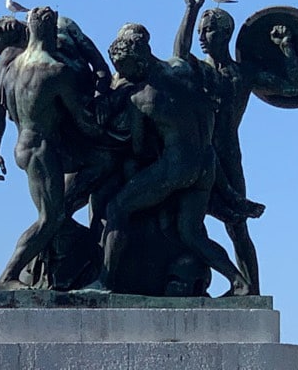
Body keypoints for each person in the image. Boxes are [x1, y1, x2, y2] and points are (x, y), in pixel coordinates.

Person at [93, 23, 250, 295]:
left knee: (117, 208)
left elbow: (140, 148)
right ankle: (239, 282)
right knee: (191, 232)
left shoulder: (141, 97)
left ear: (137, 61)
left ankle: (106, 282)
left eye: (126, 68)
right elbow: (184, 53)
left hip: (177, 167)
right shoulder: (182, 69)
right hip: (205, 164)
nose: (125, 74)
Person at [174, 0, 298, 294]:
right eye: (202, 32)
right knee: (185, 223)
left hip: (229, 157)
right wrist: (191, 11)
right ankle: (191, 282)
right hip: (200, 157)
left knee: (238, 228)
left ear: (226, 34)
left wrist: (286, 47)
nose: (204, 38)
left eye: (210, 31)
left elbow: (293, 87)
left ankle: (250, 290)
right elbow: (179, 53)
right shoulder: (199, 70)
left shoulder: (242, 74)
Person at [0, 6, 104, 290]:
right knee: (50, 218)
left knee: (100, 164)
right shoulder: (55, 71)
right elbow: (84, 120)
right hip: (43, 149)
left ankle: (71, 256)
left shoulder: (11, 66)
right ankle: (7, 277)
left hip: (25, 147)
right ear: (53, 32)